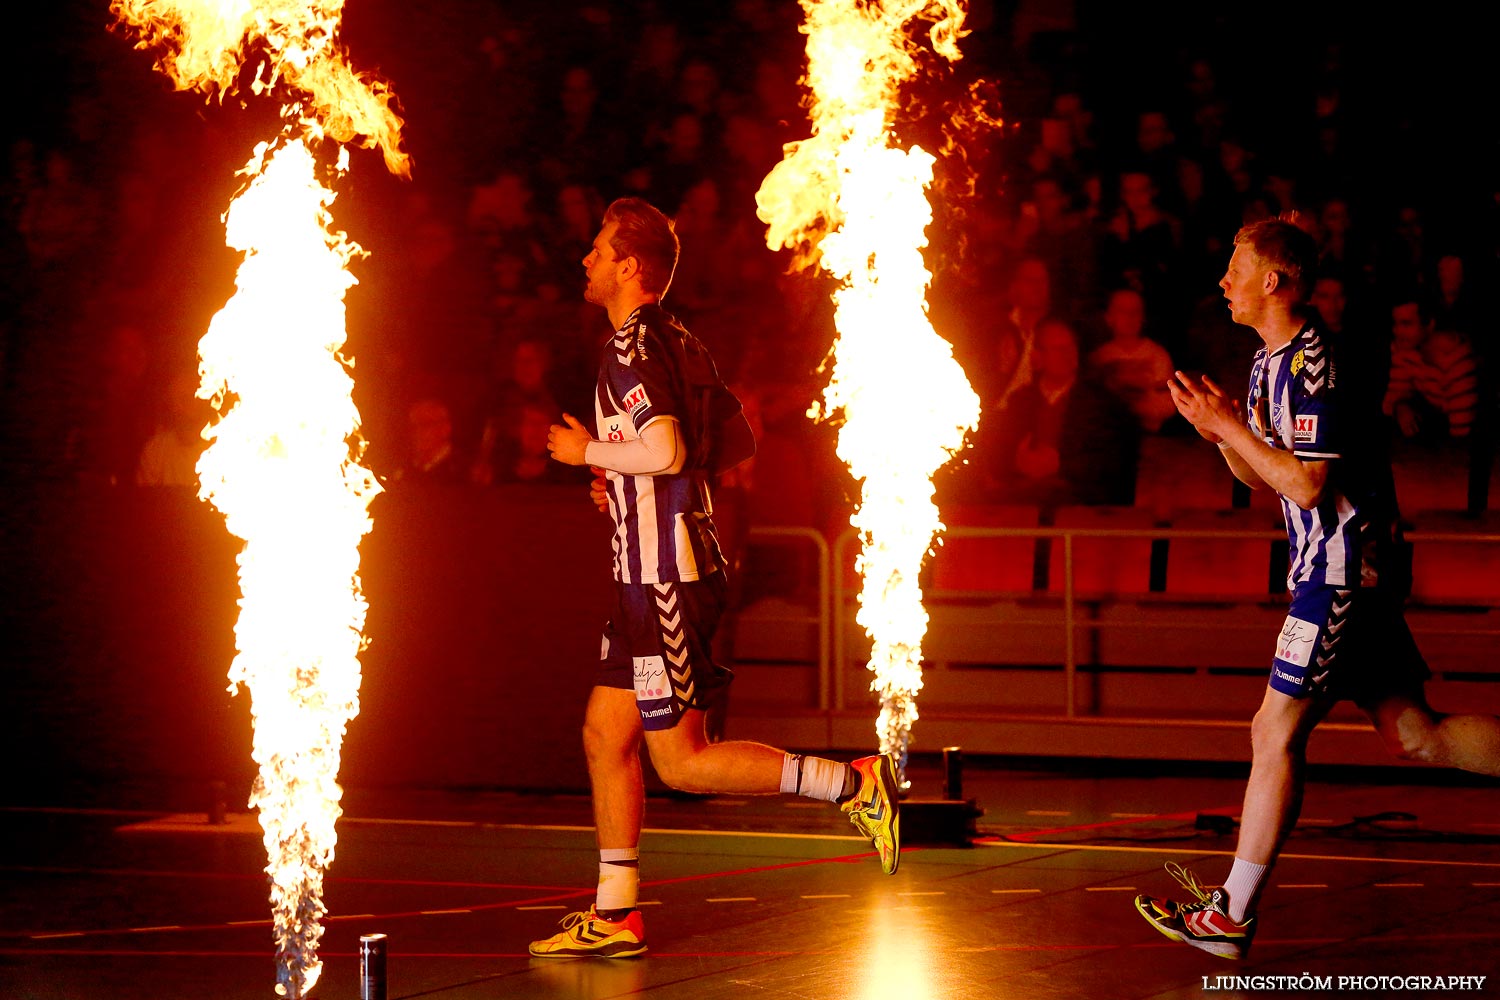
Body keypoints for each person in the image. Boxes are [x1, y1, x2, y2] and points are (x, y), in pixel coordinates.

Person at [532, 197, 899, 959]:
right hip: (646, 572)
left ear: (631, 266)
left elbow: (664, 450)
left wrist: (592, 455)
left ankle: (853, 784)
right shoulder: (676, 338)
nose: (586, 260)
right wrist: (629, 484)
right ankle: (617, 912)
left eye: (599, 249)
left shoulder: (631, 349)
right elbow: (728, 438)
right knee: (606, 735)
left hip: (666, 578)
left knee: (684, 761)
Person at [1135, 214, 1500, 959]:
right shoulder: (1267, 363)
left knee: (1273, 730)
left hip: (1338, 574)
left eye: (1235, 268)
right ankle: (1230, 912)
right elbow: (1261, 472)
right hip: (1333, 572)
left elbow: (1305, 486)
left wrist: (1235, 433)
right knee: (1417, 735)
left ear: (1273, 280)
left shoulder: (1313, 365)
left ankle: (1231, 914)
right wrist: (1222, 431)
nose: (1223, 281)